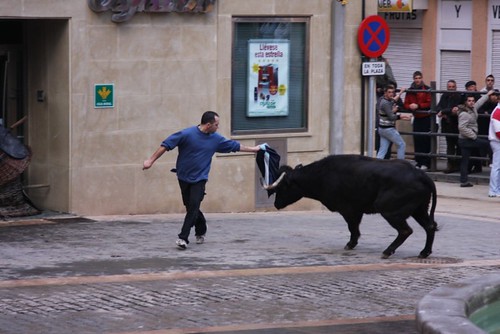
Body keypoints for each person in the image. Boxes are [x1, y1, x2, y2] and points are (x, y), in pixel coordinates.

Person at [143, 111, 262, 249]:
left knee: (193, 205)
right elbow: (166, 145)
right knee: (191, 207)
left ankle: (183, 238)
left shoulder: (216, 139)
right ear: (208, 124)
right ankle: (201, 229)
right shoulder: (187, 134)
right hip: (183, 176)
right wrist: (150, 160)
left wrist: (254, 149)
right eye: (216, 125)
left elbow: (234, 146)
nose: (218, 127)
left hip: (200, 179)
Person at [457, 93, 491, 187]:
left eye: (473, 101)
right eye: (469, 101)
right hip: (467, 140)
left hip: (465, 139)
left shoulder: (472, 108)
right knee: (487, 144)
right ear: (465, 102)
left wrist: (488, 94)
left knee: (465, 160)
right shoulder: (464, 113)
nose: (472, 102)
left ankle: (463, 181)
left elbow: (479, 102)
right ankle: (492, 162)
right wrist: (473, 136)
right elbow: (462, 128)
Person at [403, 71, 432, 170]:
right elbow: (405, 103)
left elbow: (429, 103)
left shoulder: (427, 89)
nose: (418, 80)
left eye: (419, 78)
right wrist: (410, 106)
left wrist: (418, 105)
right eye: (416, 78)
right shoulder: (410, 90)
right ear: (413, 79)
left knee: (425, 141)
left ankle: (426, 163)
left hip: (425, 118)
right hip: (416, 118)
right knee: (417, 140)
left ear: (422, 78)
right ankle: (418, 162)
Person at [376, 85, 411, 160]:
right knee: (401, 144)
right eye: (389, 92)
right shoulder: (385, 103)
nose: (391, 94)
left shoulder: (385, 100)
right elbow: (391, 117)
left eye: (392, 92)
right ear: (385, 93)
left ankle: (376, 166)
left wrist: (401, 92)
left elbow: (394, 100)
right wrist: (402, 116)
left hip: (382, 129)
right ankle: (400, 165)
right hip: (388, 129)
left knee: (383, 150)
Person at [436, 80, 462, 173]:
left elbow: (456, 110)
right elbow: (438, 107)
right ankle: (450, 165)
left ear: (456, 87)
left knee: (459, 146)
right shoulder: (444, 96)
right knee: (450, 146)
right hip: (447, 125)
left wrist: (444, 111)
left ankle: (458, 166)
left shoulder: (459, 97)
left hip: (456, 125)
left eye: (453, 87)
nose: (451, 88)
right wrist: (442, 112)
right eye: (449, 87)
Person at [375, 56, 398, 159]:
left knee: (386, 128)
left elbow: (392, 83)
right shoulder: (369, 62)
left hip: (382, 100)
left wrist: (381, 89)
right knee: (380, 132)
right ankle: (381, 158)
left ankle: (386, 158)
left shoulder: (383, 64)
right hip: (376, 101)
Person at [488, 93, 500, 197]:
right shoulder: (497, 112)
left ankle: (496, 189)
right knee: (496, 166)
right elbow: (498, 132)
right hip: (497, 142)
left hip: (497, 141)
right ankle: (493, 190)